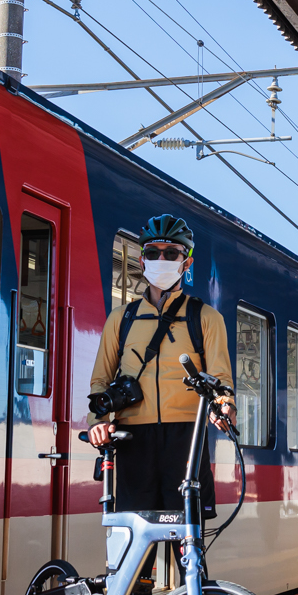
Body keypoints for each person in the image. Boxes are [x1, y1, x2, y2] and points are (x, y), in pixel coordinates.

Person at [86, 213, 236, 513]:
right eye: (153, 253)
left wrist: (224, 404)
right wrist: (98, 423)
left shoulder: (206, 318)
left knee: (188, 549)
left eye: (171, 253)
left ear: (187, 262)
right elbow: (100, 380)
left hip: (186, 440)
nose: (161, 259)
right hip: (132, 440)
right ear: (142, 261)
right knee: (134, 548)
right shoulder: (121, 319)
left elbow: (221, 380)